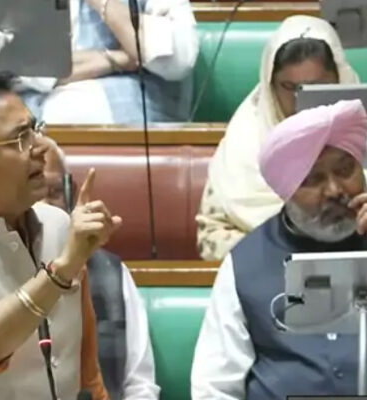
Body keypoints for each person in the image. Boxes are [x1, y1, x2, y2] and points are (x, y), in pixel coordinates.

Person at [191, 99, 367, 399]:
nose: (335, 190)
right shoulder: (246, 263)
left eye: (344, 169)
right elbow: (214, 387)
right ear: (286, 191)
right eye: (312, 179)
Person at [0, 75, 122, 399]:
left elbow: (86, 369)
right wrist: (59, 274)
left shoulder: (58, 225)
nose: (41, 147)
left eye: (35, 130)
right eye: (20, 138)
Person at [196, 15, 360, 260]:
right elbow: (210, 237)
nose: (299, 99)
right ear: (270, 86)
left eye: (317, 86)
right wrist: (280, 256)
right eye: (289, 87)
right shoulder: (243, 143)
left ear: (340, 80)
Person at [44, 139, 160, 400]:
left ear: (71, 194)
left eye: (54, 192)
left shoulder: (109, 274)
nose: (44, 204)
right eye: (33, 190)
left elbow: (140, 386)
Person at [20, 0, 199, 124]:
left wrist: (103, 3)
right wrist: (117, 59)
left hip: (134, 127)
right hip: (36, 129)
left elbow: (179, 60)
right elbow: (16, 67)